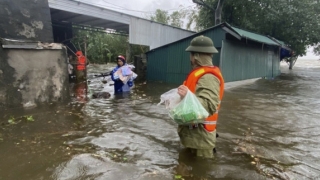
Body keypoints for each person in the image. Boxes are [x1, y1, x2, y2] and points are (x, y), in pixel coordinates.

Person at [176, 35, 224, 158]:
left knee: (201, 173)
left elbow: (209, 106)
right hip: (194, 137)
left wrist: (187, 96)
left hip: (201, 140)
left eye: (191, 55)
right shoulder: (200, 74)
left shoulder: (208, 77)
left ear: (196, 56)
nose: (190, 58)